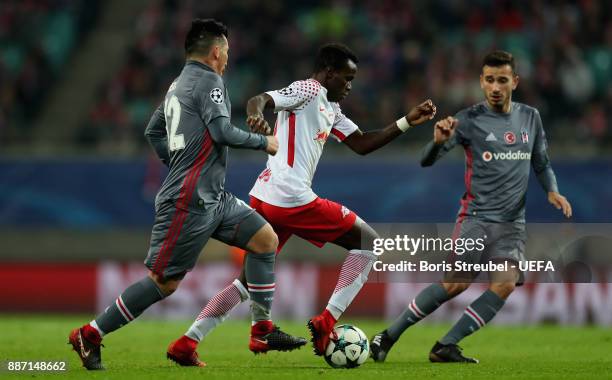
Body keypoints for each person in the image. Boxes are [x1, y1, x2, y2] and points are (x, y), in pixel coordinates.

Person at [168, 43, 436, 362]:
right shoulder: (307, 89)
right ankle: (326, 321)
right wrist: (255, 115)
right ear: (328, 73)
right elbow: (261, 99)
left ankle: (187, 342)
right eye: (347, 78)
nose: (350, 86)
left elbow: (363, 143)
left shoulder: (330, 107)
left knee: (248, 282)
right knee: (369, 244)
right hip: (290, 197)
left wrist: (407, 120)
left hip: (267, 196)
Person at [68, 18, 306, 370]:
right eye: (225, 51)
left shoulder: (177, 85)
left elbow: (153, 131)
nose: (227, 58)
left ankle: (262, 329)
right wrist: (263, 142)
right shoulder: (211, 81)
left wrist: (178, 160)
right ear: (214, 52)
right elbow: (222, 131)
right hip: (189, 200)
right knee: (163, 283)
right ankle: (89, 334)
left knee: (265, 240)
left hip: (214, 196)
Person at [370, 50, 573, 363]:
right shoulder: (467, 120)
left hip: (511, 224)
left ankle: (445, 346)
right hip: (475, 218)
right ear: (481, 81)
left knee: (505, 284)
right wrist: (438, 142)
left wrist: (553, 191)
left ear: (514, 82)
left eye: (502, 80)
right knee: (454, 284)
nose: (495, 86)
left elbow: (542, 162)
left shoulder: (530, 117)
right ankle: (389, 335)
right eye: (489, 80)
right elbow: (426, 161)